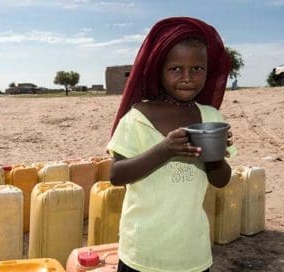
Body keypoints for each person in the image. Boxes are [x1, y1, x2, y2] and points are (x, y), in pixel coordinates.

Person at [107, 16, 237, 272]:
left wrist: (216, 156)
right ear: (160, 70)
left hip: (191, 252)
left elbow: (221, 180)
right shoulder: (137, 118)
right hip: (142, 252)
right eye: (176, 69)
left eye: (197, 69)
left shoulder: (211, 117)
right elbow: (116, 175)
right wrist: (164, 150)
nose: (187, 77)